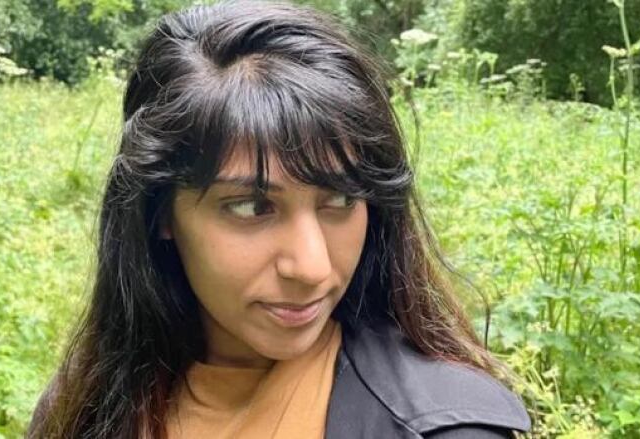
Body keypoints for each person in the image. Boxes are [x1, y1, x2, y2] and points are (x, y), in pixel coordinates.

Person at [27, 1, 531, 437]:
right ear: (159, 211)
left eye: (341, 199)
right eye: (251, 207)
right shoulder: (84, 404)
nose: (311, 268)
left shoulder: (447, 427)